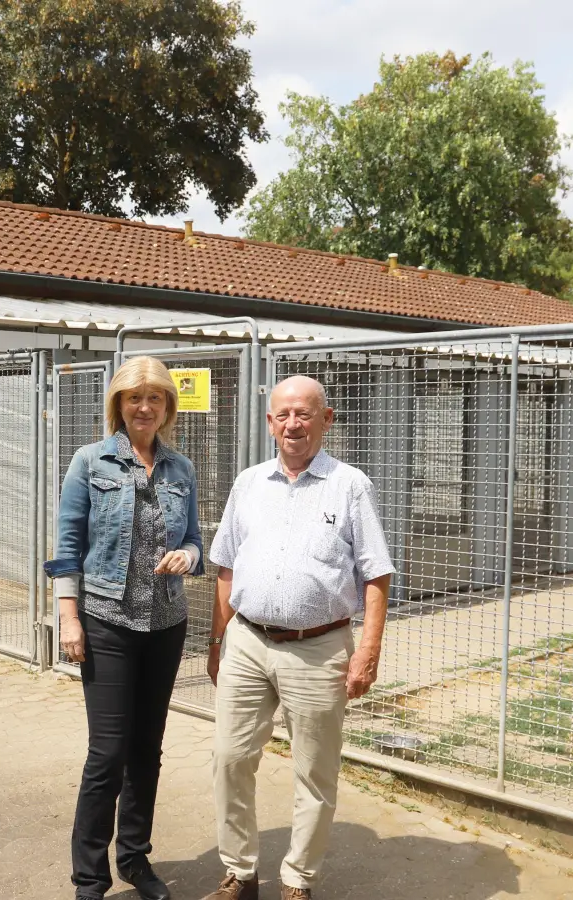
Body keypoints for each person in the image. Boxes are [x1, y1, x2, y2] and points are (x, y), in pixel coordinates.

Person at [198, 375, 395, 900]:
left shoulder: (350, 485)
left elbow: (376, 574)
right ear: (269, 423)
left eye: (305, 414)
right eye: (283, 415)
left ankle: (298, 880)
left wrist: (368, 650)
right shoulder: (248, 483)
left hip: (319, 647)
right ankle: (240, 873)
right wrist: (217, 643)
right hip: (246, 640)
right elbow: (225, 567)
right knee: (230, 758)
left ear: (326, 420)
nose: (293, 424)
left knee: (314, 770)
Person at [45, 355, 206, 900]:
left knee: (147, 749)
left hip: (165, 624)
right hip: (107, 622)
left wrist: (187, 556)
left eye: (154, 398)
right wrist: (69, 618)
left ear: (166, 407)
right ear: (118, 404)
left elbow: (197, 545)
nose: (144, 407)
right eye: (134, 398)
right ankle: (89, 879)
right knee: (107, 753)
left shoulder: (181, 469)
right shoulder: (90, 462)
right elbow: (67, 548)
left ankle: (135, 860)